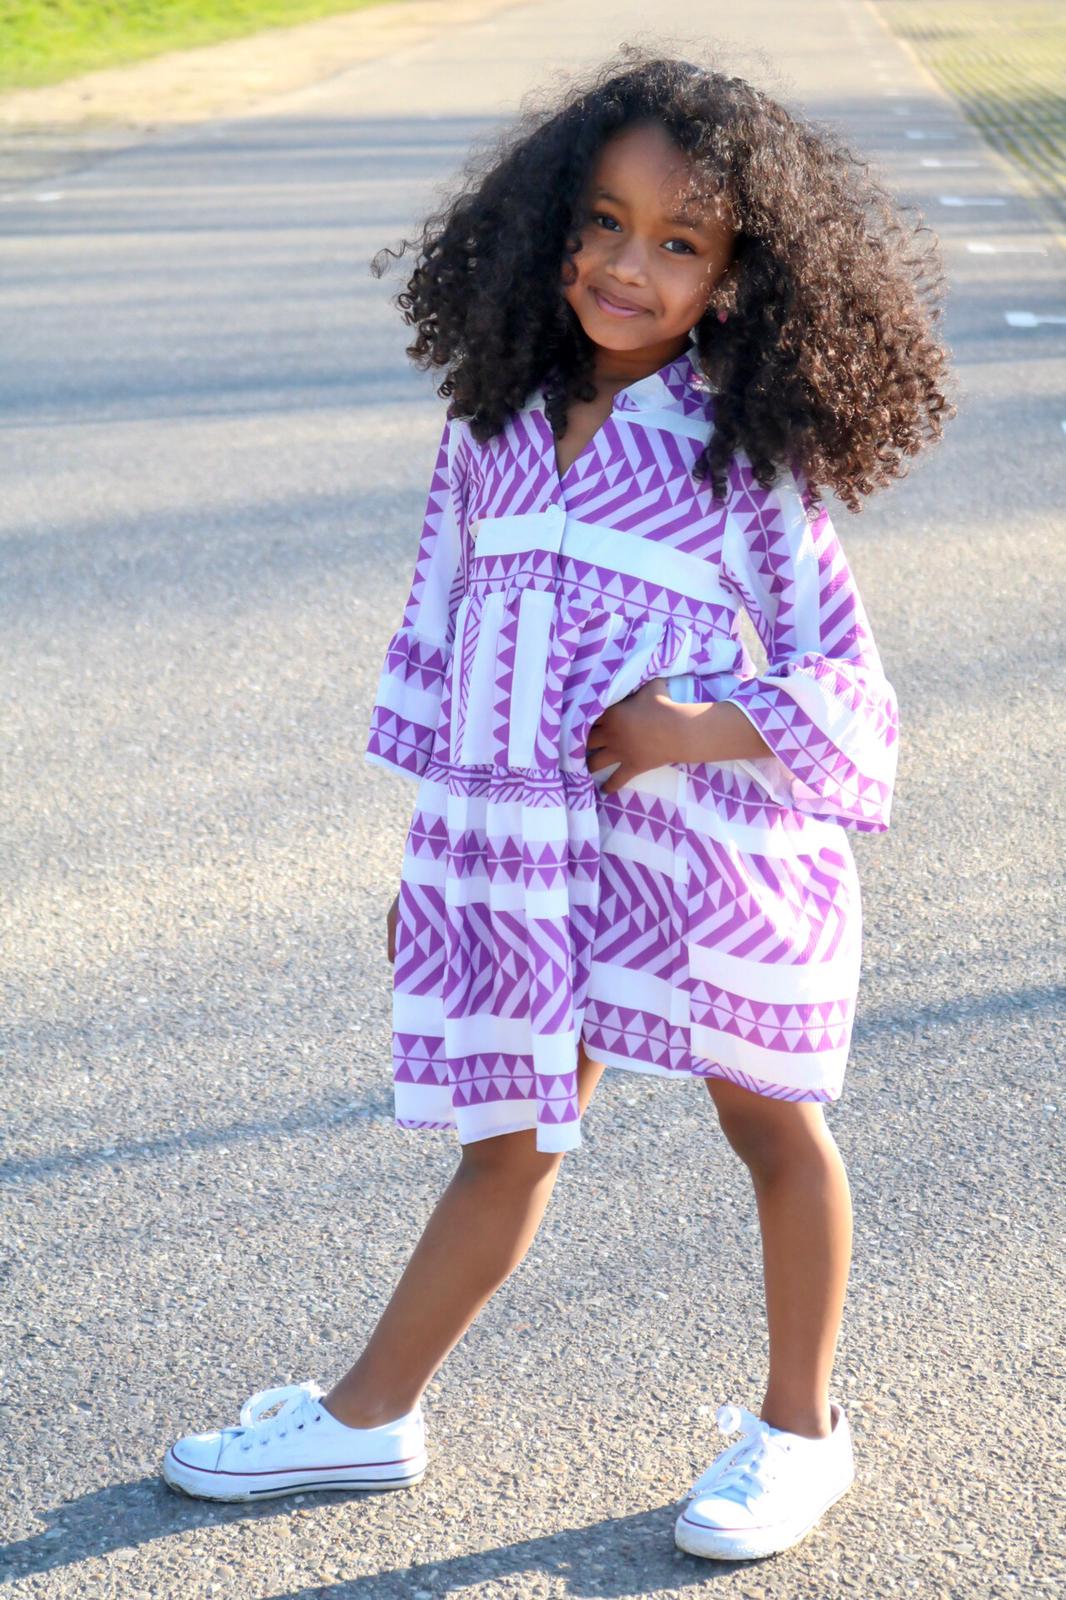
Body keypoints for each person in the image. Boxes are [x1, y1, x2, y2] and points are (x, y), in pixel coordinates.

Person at [162, 46, 954, 1562]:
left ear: (737, 275)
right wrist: (435, 867)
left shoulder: (739, 449)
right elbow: (441, 640)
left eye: (679, 242)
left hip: (702, 855)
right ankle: (368, 1415)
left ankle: (800, 1432)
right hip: (525, 858)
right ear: (547, 224)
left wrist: (685, 726)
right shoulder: (492, 430)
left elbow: (845, 674)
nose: (626, 266)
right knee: (509, 1131)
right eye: (603, 221)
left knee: (771, 1123)